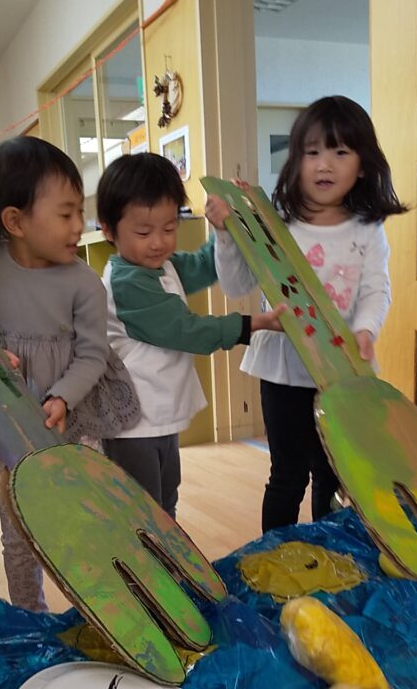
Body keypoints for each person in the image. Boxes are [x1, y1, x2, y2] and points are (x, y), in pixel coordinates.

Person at [212, 95, 407, 531]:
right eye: (312, 152)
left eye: (340, 152)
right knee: (287, 475)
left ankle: (330, 550)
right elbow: (236, 285)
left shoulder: (367, 229)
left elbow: (376, 289)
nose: (324, 165)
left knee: (334, 474)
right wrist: (225, 234)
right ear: (295, 161)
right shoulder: (276, 223)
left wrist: (366, 329)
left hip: (340, 371)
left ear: (363, 164)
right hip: (282, 369)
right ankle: (275, 555)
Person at [0, 136, 139, 610]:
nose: (78, 226)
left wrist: (62, 397)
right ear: (15, 221)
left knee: (86, 525)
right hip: (10, 424)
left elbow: (93, 355)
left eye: (79, 212)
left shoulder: (84, 281)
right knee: (18, 533)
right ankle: (30, 617)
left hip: (73, 423)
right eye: (65, 214)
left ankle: (100, 611)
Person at [98, 152, 286, 518]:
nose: (159, 242)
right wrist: (254, 323)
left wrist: (224, 227)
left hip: (159, 414)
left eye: (169, 229)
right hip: (132, 424)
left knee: (166, 500)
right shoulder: (126, 282)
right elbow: (186, 331)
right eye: (143, 232)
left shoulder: (161, 266)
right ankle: (153, 554)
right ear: (109, 230)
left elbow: (203, 265)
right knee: (144, 513)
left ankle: (169, 551)